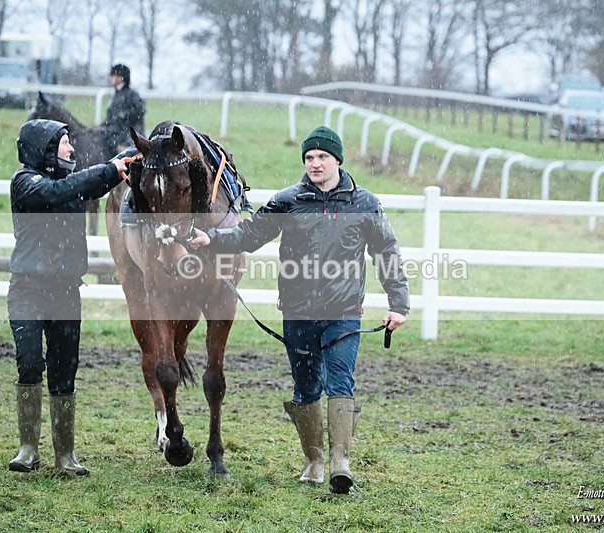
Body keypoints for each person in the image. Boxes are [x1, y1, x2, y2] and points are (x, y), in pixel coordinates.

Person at [191, 125, 410, 494]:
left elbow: (386, 252)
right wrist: (209, 238)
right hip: (298, 311)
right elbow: (249, 234)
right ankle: (314, 461)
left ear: (337, 160)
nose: (315, 163)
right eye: (309, 157)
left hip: (343, 312)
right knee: (306, 387)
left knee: (340, 382)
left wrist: (398, 304)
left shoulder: (364, 203)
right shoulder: (288, 201)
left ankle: (340, 464)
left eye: (322, 156)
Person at [7, 119, 127, 475]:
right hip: (27, 290)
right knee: (30, 363)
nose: (71, 148)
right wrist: (106, 169)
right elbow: (56, 192)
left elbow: (97, 183)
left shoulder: (70, 184)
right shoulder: (26, 182)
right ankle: (28, 450)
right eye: (64, 142)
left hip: (66, 292)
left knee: (64, 370)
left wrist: (125, 163)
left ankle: (65, 456)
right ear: (44, 148)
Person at [103, 63, 146, 159]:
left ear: (120, 78)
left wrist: (121, 117)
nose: (110, 78)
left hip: (126, 139)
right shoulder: (116, 95)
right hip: (115, 136)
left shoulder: (131, 94)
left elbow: (140, 110)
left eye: (113, 75)